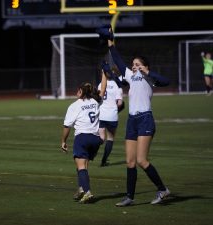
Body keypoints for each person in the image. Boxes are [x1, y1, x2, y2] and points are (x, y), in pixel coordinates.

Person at [96, 25, 171, 206]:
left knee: (141, 160)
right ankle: (129, 197)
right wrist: (110, 41)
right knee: (130, 161)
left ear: (146, 66)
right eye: (134, 64)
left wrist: (147, 72)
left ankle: (163, 190)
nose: (135, 66)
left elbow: (166, 81)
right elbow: (119, 62)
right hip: (132, 121)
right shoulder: (130, 76)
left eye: (139, 64)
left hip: (145, 118)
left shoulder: (149, 77)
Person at [61, 71, 108, 204]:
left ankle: (87, 192)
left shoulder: (74, 106)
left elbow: (67, 126)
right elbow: (103, 88)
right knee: (83, 166)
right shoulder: (96, 101)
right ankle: (82, 188)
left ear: (81, 91)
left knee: (81, 167)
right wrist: (104, 75)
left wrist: (63, 141)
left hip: (82, 138)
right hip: (95, 140)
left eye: (78, 90)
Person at [98, 62, 124, 167]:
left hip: (101, 115)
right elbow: (120, 103)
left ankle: (90, 151)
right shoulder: (118, 85)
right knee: (110, 138)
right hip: (112, 116)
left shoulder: (101, 84)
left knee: (101, 138)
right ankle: (104, 161)